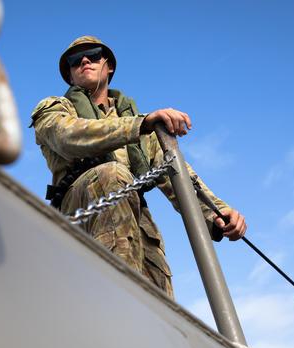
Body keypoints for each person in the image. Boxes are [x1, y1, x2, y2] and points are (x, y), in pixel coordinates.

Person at [30, 36, 246, 298]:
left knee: (160, 295)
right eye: (75, 61)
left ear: (108, 66)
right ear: (70, 75)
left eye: (93, 54)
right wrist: (140, 124)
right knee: (112, 174)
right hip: (82, 211)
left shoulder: (137, 126)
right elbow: (67, 137)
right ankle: (117, 303)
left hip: (133, 219)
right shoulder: (54, 108)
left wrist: (220, 213)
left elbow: (176, 173)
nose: (84, 60)